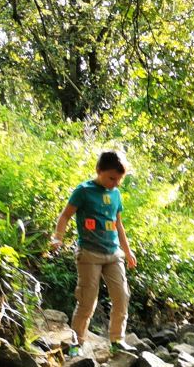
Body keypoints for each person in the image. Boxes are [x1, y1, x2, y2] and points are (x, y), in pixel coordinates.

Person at [52, 150, 136, 354]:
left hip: (113, 254)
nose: (115, 183)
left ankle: (117, 340)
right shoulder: (84, 190)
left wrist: (128, 250)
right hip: (89, 254)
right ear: (99, 170)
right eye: (111, 178)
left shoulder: (115, 193)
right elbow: (65, 216)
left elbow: (118, 225)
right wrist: (58, 238)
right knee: (87, 300)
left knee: (121, 296)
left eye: (119, 180)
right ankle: (76, 343)